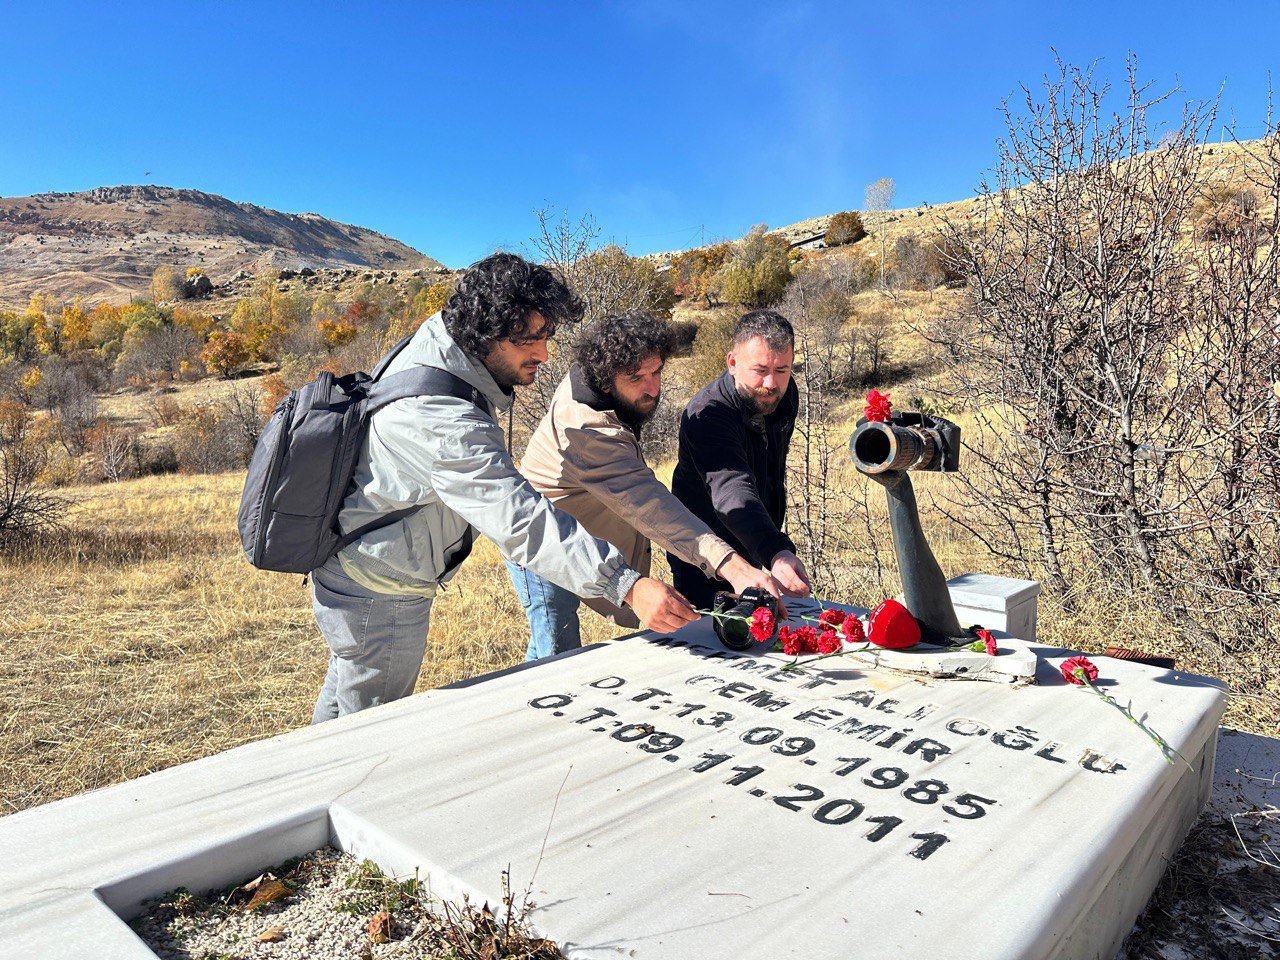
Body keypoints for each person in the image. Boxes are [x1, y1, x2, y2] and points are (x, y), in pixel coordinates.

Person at [311, 253, 696, 723]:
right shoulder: (442, 419)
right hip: (380, 587)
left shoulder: (443, 344)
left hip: (361, 568)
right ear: (486, 332)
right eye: (529, 340)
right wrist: (627, 585)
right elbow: (520, 521)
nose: (545, 354)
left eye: (547, 336)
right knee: (364, 732)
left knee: (339, 710)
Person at [508, 311, 785, 660]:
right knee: (555, 644)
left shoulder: (596, 380)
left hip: (585, 521)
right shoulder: (584, 428)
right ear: (606, 379)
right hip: (542, 532)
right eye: (637, 377)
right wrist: (732, 565)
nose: (652, 388)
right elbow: (649, 504)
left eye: (656, 372)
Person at [668, 309, 813, 610]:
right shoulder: (707, 414)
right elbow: (732, 490)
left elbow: (771, 470)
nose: (771, 383)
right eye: (760, 370)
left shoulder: (783, 396)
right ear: (732, 363)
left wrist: (768, 547)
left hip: (754, 538)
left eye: (782, 369)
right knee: (712, 640)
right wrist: (775, 550)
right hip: (703, 554)